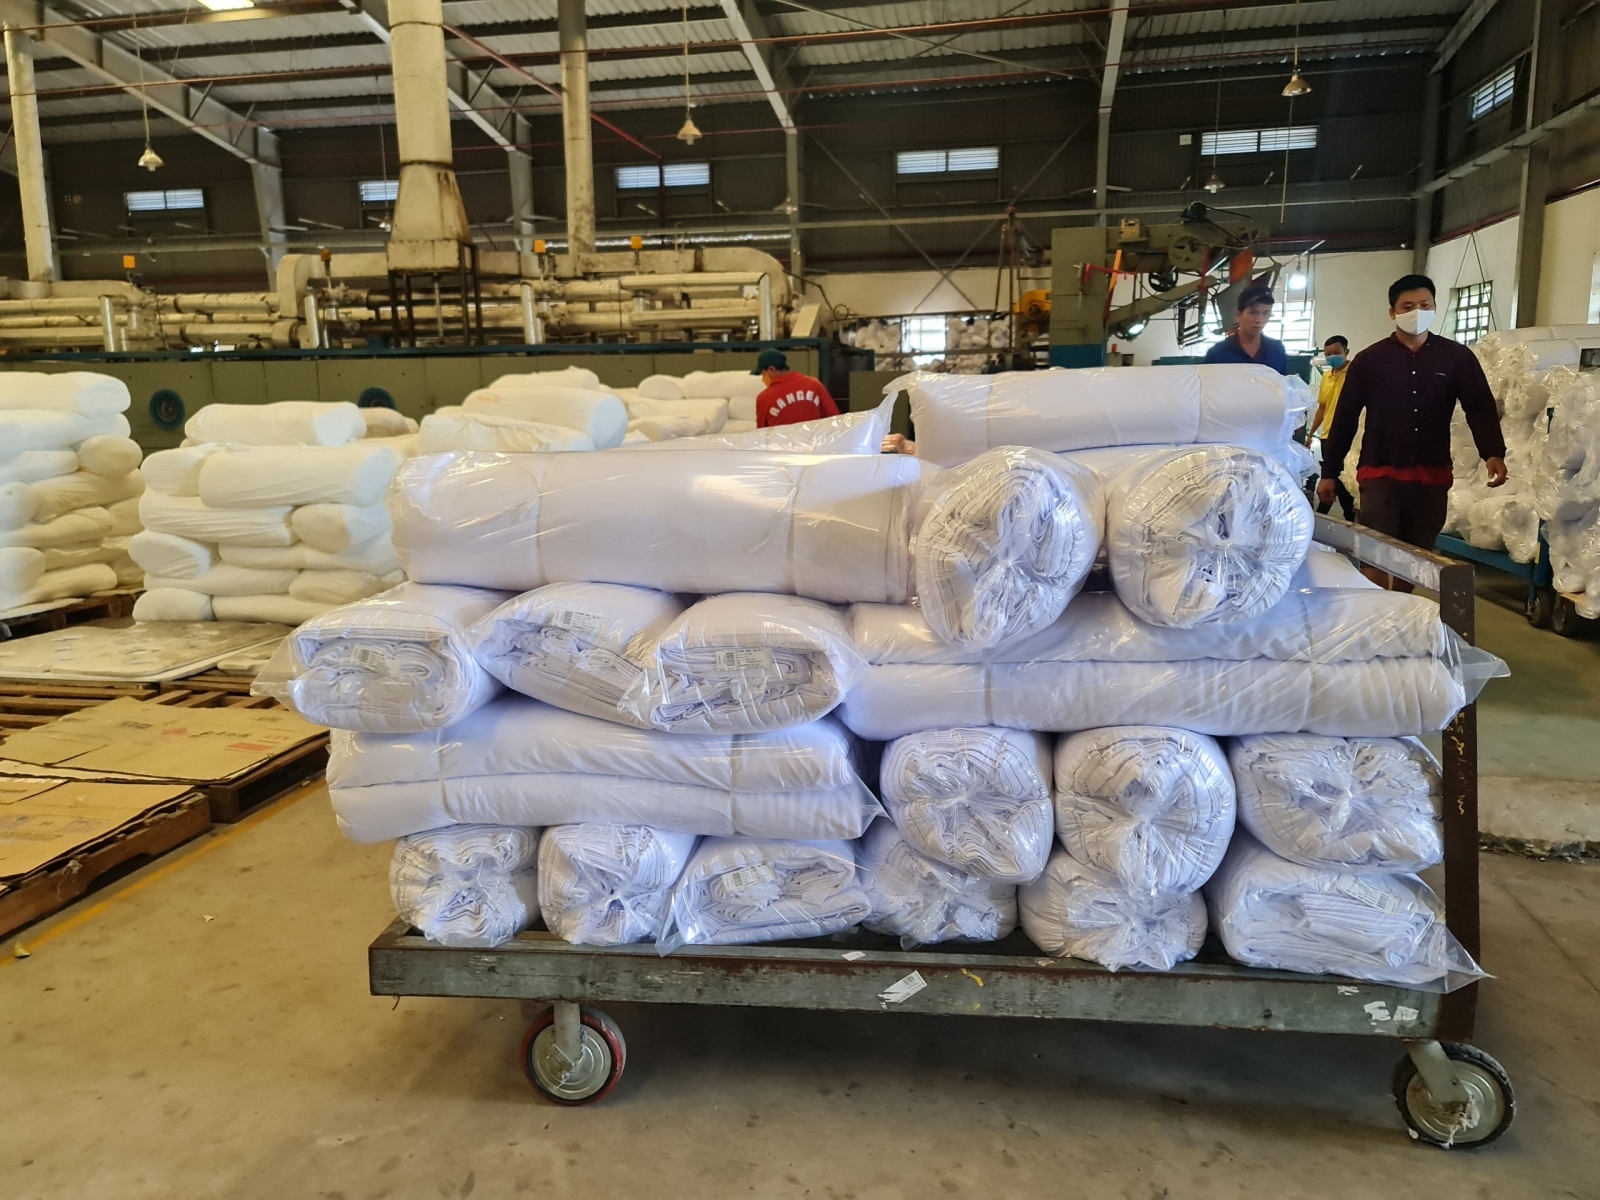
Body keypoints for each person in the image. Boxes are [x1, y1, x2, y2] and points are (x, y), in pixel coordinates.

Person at [1318, 273, 1506, 583]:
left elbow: (1480, 406)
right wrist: (1330, 471)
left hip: (1432, 475)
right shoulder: (1370, 361)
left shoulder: (1456, 358)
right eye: (1407, 306)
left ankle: (1402, 608)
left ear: (1434, 307)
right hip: (1381, 472)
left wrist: (1493, 453)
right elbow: (1345, 417)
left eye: (1424, 305)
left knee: (1416, 558)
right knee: (1375, 553)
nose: (1417, 312)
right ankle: (1379, 608)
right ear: (1392, 312)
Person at [1307, 334, 1356, 518]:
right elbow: (1322, 407)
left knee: (1343, 478)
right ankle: (1324, 514)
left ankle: (1346, 514)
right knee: (1330, 476)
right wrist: (1311, 434)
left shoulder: (1355, 373)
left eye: (1336, 352)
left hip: (1348, 436)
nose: (1331, 357)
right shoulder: (1327, 376)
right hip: (1327, 436)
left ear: (1346, 351)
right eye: (1328, 354)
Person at [1204, 284, 1290, 374]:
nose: (1259, 320)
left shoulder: (1277, 350)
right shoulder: (1217, 354)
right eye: (1253, 312)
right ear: (1238, 315)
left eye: (1266, 313)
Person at [750, 349, 839, 428]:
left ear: (771, 369)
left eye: (762, 373)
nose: (763, 378)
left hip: (782, 442)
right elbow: (836, 419)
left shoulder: (764, 398)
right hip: (814, 441)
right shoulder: (814, 384)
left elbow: (761, 435)